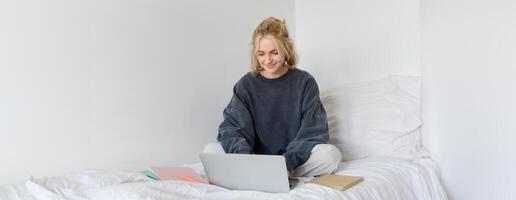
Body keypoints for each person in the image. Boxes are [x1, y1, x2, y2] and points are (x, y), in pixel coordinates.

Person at [203, 17, 341, 178]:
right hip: (252, 160)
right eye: (261, 54)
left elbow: (313, 131)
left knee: (330, 155)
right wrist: (247, 160)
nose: (267, 60)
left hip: (291, 162)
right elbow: (232, 128)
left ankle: (274, 175)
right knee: (210, 151)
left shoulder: (304, 82)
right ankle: (261, 175)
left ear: (286, 50)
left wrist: (287, 163)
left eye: (274, 53)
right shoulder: (246, 84)